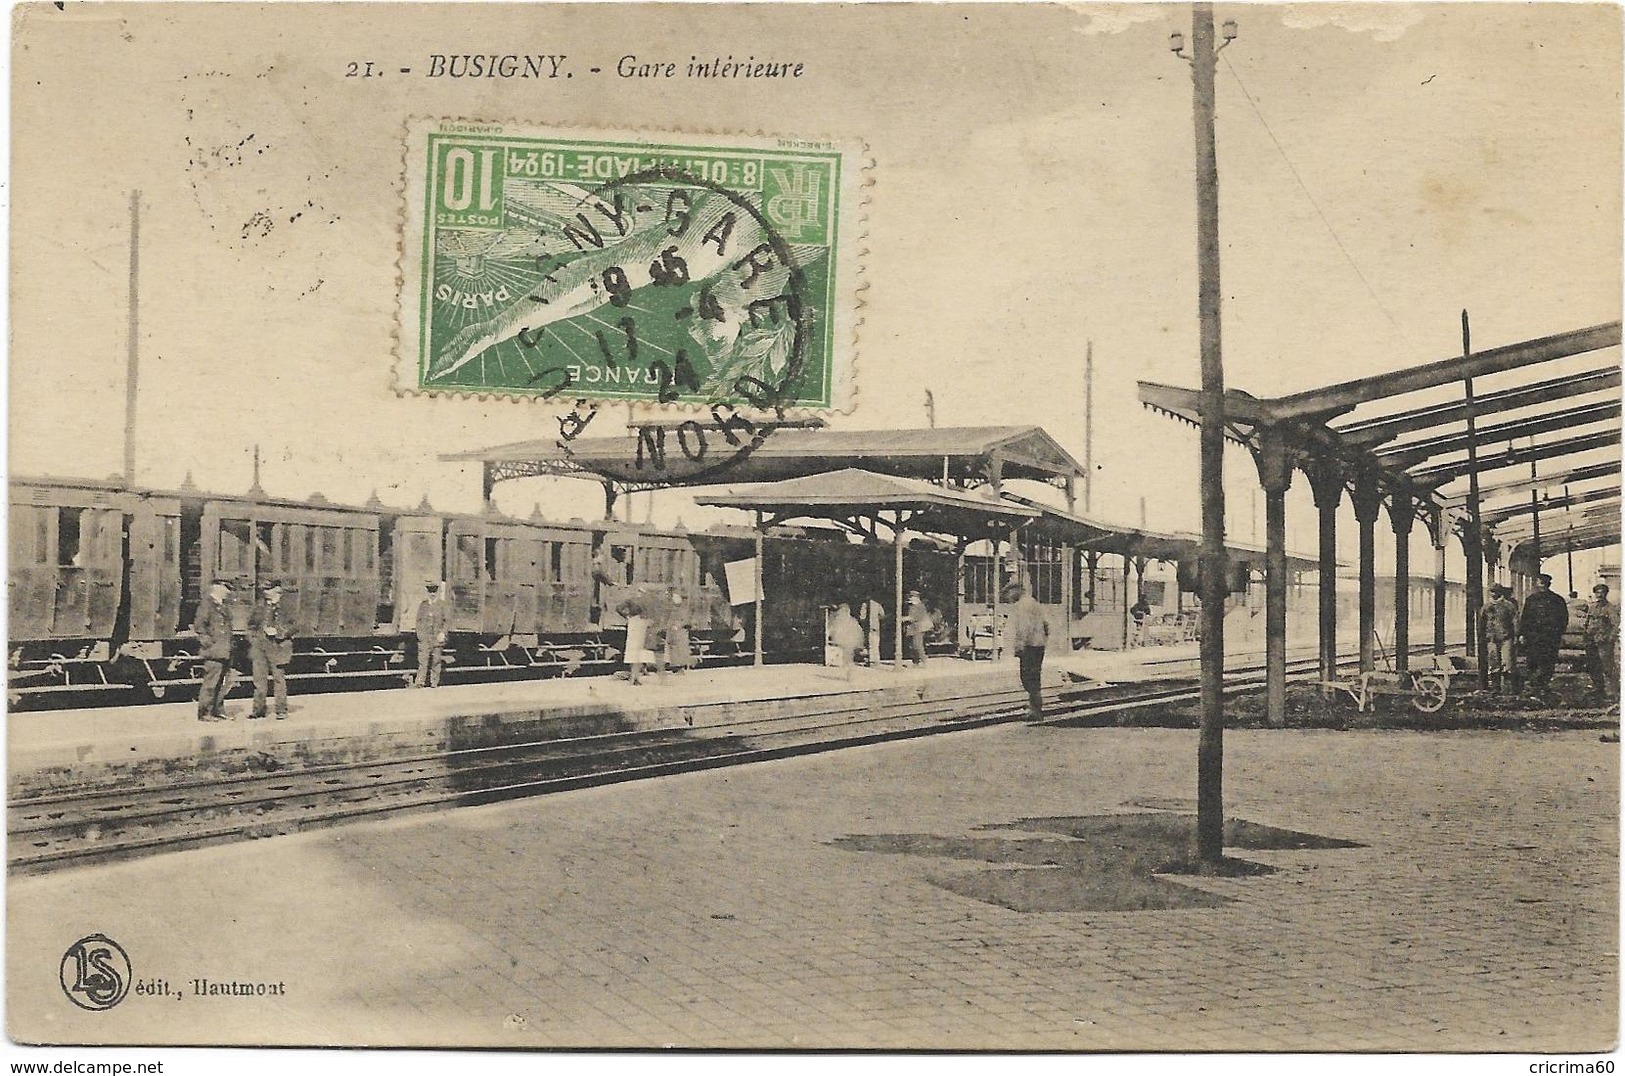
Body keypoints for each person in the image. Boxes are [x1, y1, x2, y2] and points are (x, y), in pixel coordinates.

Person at [1518, 573, 1569, 700]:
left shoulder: (1555, 600)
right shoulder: (1535, 600)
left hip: (1546, 637)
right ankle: (1537, 686)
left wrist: (1558, 633)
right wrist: (1522, 634)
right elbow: (1525, 618)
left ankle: (1540, 686)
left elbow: (1563, 619)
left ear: (1542, 583)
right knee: (1537, 661)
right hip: (1539, 637)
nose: (1538, 585)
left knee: (1545, 661)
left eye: (1539, 582)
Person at [248, 578, 294, 718]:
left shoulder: (287, 606)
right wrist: (253, 640)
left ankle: (281, 710)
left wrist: (279, 632)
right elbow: (250, 626)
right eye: (264, 589)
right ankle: (258, 710)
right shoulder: (259, 606)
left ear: (277, 590)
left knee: (279, 679)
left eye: (268, 589)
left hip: (278, 647)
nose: (265, 592)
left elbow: (296, 625)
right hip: (260, 648)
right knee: (259, 680)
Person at [1005, 581, 1050, 720]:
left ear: (1016, 591)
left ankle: (1035, 710)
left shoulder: (1020, 606)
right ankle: (1036, 708)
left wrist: (1020, 645)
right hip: (1039, 644)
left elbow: (1024, 627)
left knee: (1028, 679)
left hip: (1029, 645)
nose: (1008, 598)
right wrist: (1043, 639)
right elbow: (1046, 624)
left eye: (1008, 594)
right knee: (1035, 677)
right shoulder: (1035, 603)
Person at [193, 577, 235, 721]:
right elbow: (199, 627)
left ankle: (218, 710)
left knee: (222, 682)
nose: (228, 592)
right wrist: (209, 644)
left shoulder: (222, 605)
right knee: (210, 683)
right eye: (226, 589)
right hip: (214, 650)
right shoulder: (207, 604)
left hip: (224, 650)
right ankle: (205, 713)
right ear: (217, 588)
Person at [1478, 584, 1520, 695]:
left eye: (1495, 591)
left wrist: (1516, 636)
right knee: (1494, 664)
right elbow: (1481, 623)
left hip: (1506, 638)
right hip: (1491, 640)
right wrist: (1482, 637)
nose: (1493, 593)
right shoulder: (1486, 607)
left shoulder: (1508, 606)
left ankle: (1508, 689)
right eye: (1491, 591)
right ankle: (1496, 688)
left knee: (1507, 663)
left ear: (1500, 592)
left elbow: (1515, 621)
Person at [1583, 583, 1619, 703]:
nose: (1599, 595)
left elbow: (1616, 625)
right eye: (1597, 592)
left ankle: (1612, 692)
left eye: (1602, 592)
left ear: (1606, 593)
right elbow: (1587, 622)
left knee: (1607, 667)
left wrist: (1610, 638)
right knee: (1593, 666)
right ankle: (1599, 688)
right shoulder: (1592, 607)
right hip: (1591, 640)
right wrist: (1586, 634)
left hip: (1604, 642)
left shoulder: (1610, 608)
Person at [414, 581, 450, 688]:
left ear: (437, 592)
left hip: (437, 638)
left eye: (434, 591)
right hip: (425, 638)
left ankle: (434, 682)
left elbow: (447, 621)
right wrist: (420, 635)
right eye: (430, 591)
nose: (432, 594)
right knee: (423, 661)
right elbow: (418, 621)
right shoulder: (423, 605)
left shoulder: (442, 605)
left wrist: (443, 633)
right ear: (427, 592)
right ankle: (420, 682)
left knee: (436, 661)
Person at [617, 590, 656, 685]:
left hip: (635, 624)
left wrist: (626, 616)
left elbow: (618, 608)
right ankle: (635, 678)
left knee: (635, 651)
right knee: (637, 651)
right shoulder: (643, 601)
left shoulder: (631, 600)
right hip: (639, 624)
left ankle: (634, 678)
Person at [826, 602, 865, 682]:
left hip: (849, 641)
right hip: (847, 641)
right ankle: (850, 675)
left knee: (848, 658)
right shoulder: (845, 620)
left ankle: (851, 675)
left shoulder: (848, 621)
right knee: (848, 659)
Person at [664, 588, 694, 673]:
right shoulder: (673, 609)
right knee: (673, 647)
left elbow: (685, 620)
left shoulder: (682, 609)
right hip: (673, 629)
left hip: (678, 630)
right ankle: (675, 665)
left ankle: (679, 667)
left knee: (679, 648)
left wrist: (678, 625)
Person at [902, 589, 930, 667]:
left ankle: (924, 661)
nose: (910, 599)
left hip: (919, 627)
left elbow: (915, 617)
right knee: (913, 645)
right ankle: (916, 662)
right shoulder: (912, 605)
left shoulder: (919, 606)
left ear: (916, 598)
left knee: (917, 645)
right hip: (913, 628)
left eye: (912, 597)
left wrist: (904, 618)